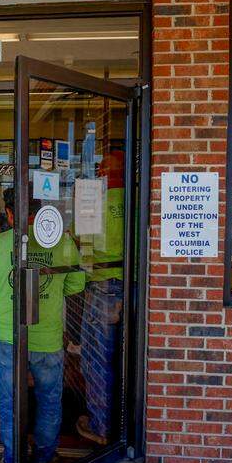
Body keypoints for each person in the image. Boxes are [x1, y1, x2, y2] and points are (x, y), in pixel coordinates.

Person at [0, 188, 86, 463]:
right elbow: (77, 284)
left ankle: (14, 461)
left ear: (9, 213)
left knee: (9, 401)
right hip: (47, 337)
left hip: (8, 337)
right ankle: (44, 458)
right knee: (49, 398)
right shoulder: (64, 243)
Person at [76, 150, 126, 446]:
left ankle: (101, 425)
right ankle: (122, 421)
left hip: (102, 287)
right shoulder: (138, 200)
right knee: (123, 356)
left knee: (95, 358)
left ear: (107, 172)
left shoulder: (96, 202)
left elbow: (83, 250)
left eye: (100, 167)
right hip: (132, 285)